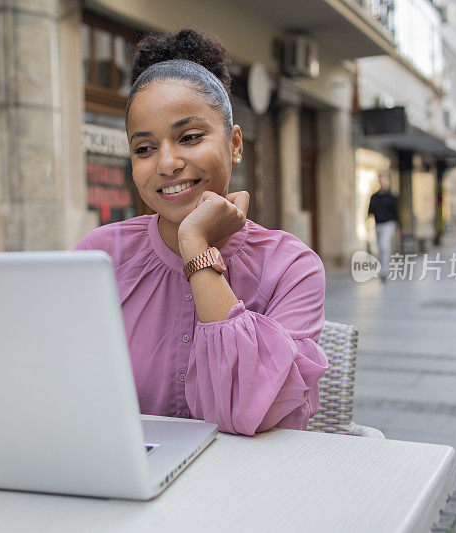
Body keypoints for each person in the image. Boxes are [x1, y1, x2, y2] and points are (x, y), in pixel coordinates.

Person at [74, 29, 328, 436]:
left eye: (189, 137)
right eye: (144, 149)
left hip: (252, 487)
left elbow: (251, 412)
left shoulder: (291, 267)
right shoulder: (100, 256)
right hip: (129, 480)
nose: (168, 163)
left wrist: (197, 248)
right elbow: (65, 388)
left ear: (234, 143)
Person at [367, 174, 399, 281]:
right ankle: (384, 268)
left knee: (384, 246)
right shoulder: (374, 197)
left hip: (388, 224)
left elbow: (396, 212)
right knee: (381, 248)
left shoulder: (390, 197)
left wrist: (399, 226)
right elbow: (369, 212)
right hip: (378, 225)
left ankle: (385, 271)